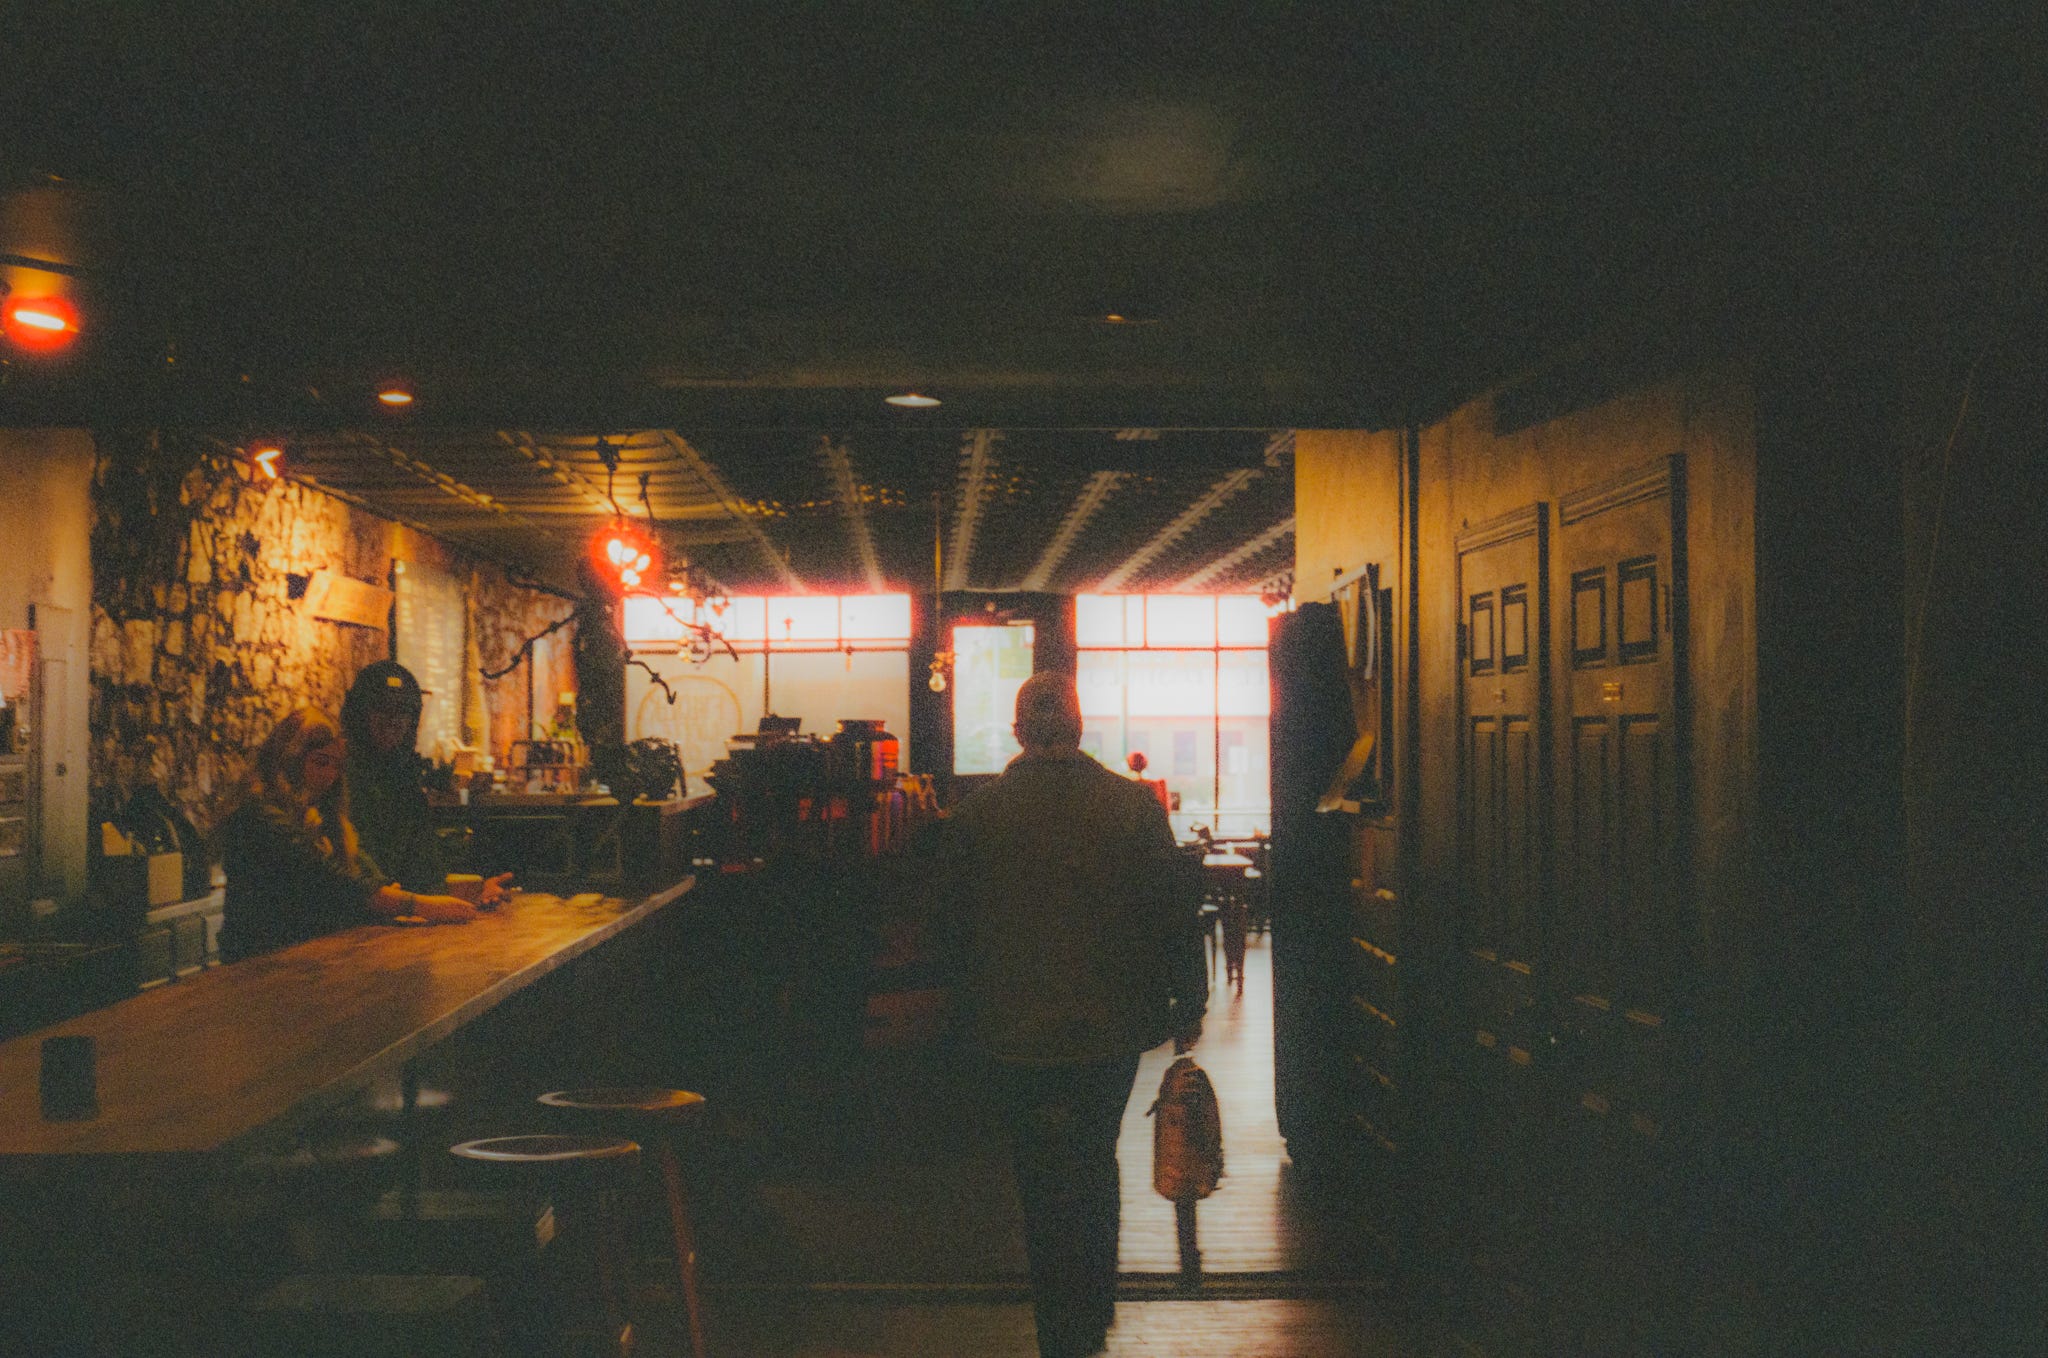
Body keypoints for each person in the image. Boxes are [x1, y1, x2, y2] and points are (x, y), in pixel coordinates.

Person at [940, 671, 1207, 1358]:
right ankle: (1093, 1305)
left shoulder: (978, 814)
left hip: (1010, 1027)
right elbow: (1171, 911)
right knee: (1094, 1155)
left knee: (1036, 1171)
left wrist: (961, 1015)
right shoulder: (1132, 807)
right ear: (1081, 728)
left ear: (1018, 731)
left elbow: (952, 928)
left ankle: (1055, 1322)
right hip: (1109, 1023)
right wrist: (1190, 998)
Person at [217, 706, 479, 961]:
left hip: (307, 961)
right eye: (321, 762)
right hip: (258, 966)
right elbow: (331, 879)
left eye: (336, 766)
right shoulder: (257, 815)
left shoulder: (321, 815)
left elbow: (360, 873)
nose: (330, 776)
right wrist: (414, 904)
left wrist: (386, 890)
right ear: (290, 758)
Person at [341, 660, 511, 905]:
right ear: (359, 714)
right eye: (382, 708)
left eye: (402, 711)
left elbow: (425, 874)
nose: (393, 720)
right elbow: (355, 878)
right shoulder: (339, 776)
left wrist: (476, 893)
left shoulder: (403, 778)